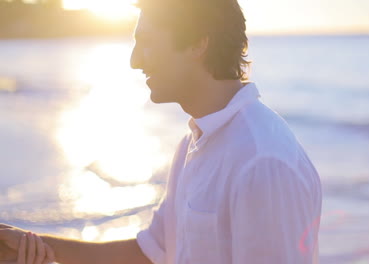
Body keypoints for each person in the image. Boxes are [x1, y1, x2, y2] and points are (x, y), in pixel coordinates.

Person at [0, 0, 322, 263]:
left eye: (147, 43)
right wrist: (32, 246)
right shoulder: (192, 145)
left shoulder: (263, 163)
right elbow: (150, 252)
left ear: (198, 43)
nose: (134, 60)